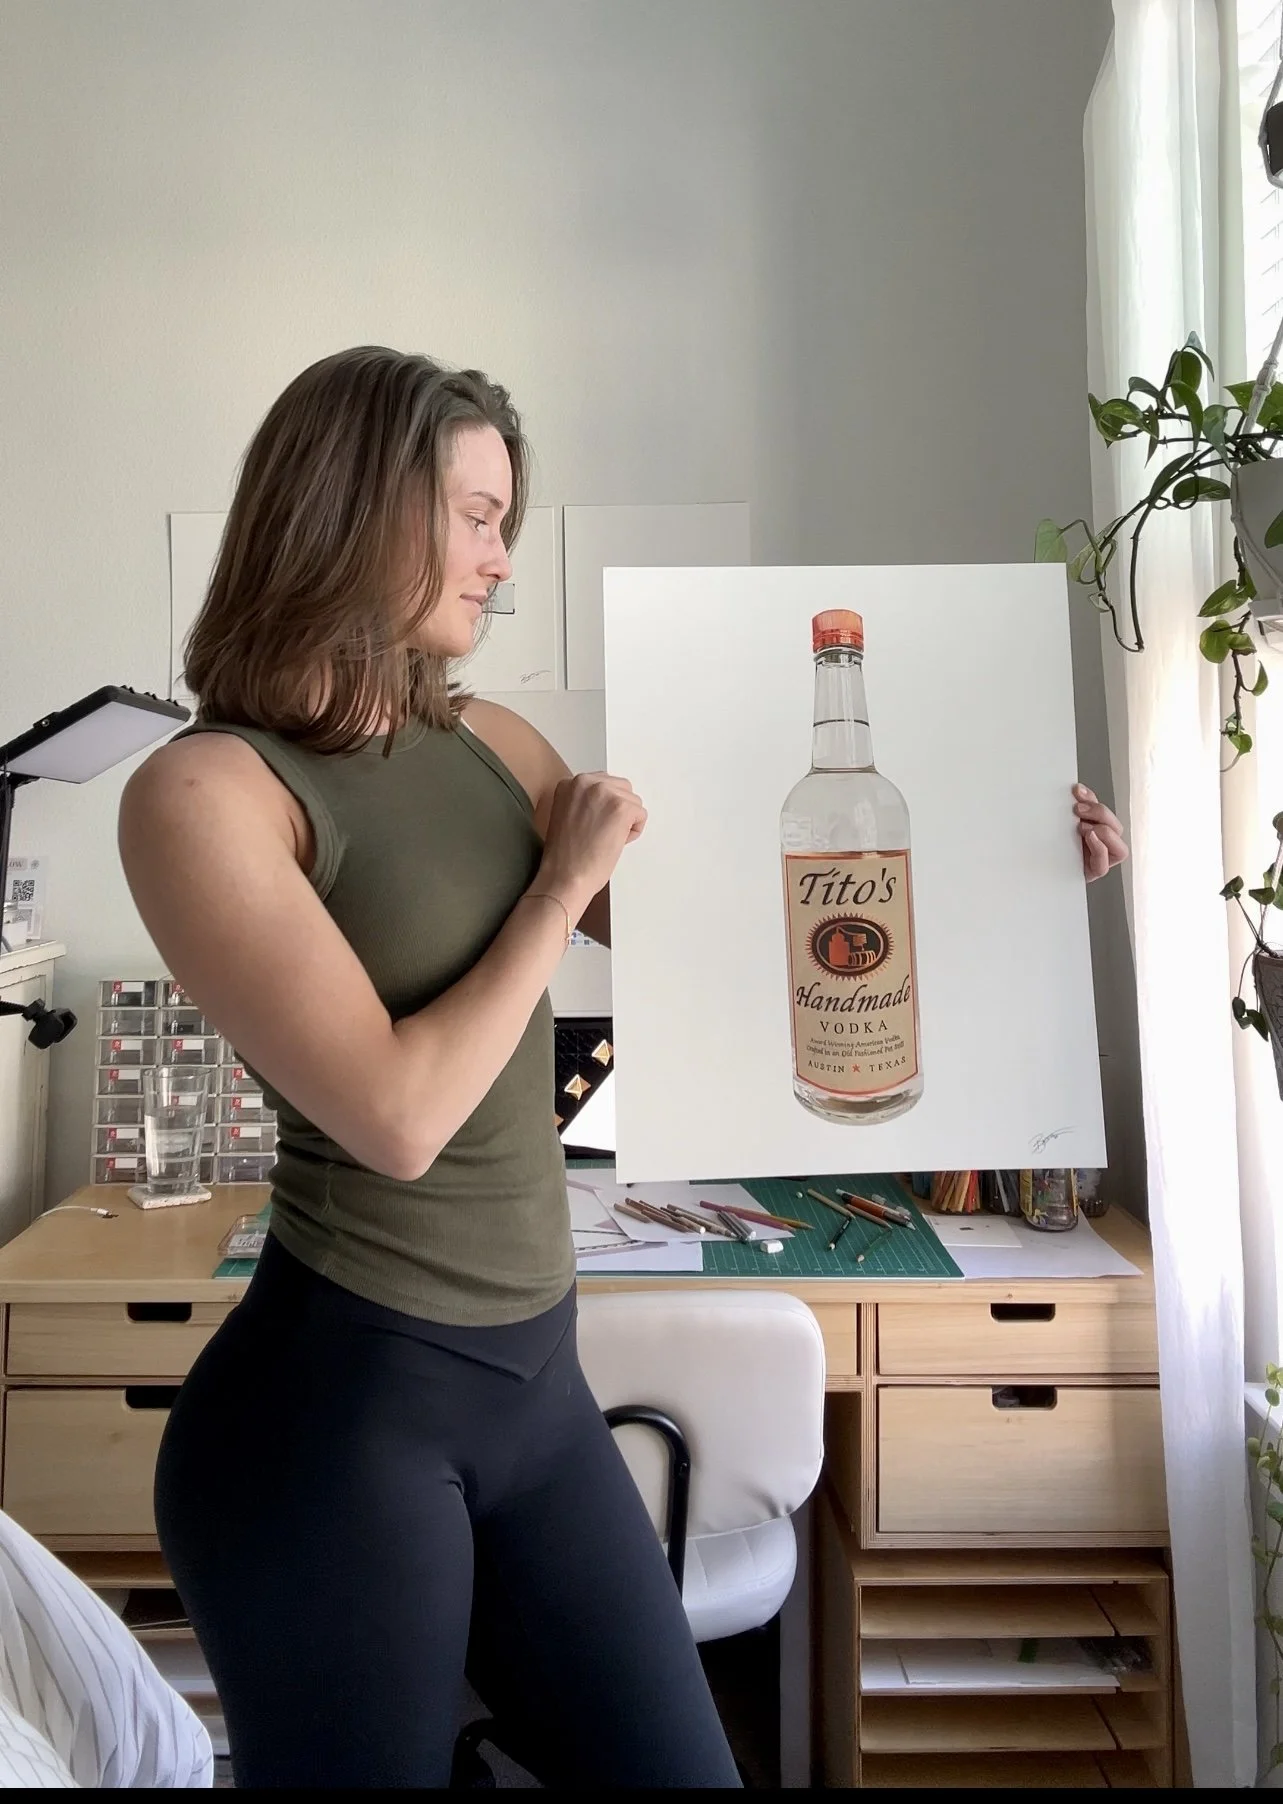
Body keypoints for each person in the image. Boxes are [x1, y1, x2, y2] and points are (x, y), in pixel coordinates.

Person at [118, 346, 1128, 1790]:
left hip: (534, 1393)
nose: (500, 559)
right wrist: (553, 886)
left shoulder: (489, 741)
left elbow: (740, 952)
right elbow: (397, 1119)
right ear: (353, 507)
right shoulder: (206, 789)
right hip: (332, 1424)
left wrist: (1014, 872)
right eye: (474, 514)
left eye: (505, 520)